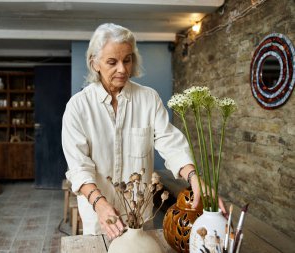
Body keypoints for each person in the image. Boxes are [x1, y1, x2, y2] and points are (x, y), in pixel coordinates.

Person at [62, 23, 226, 240]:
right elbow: (78, 166)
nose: (122, 69)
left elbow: (169, 142)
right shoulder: (78, 107)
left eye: (127, 59)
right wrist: (100, 205)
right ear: (95, 64)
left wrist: (195, 179)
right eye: (112, 62)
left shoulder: (149, 99)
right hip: (99, 215)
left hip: (140, 216)